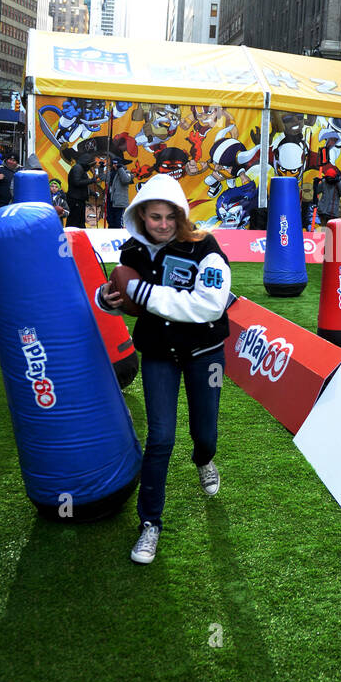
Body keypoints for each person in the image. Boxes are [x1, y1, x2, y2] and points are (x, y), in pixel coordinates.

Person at [97, 174, 231, 565]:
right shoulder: (132, 252)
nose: (163, 224)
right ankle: (150, 524)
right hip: (158, 353)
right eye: (154, 217)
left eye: (170, 217)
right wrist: (108, 299)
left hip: (205, 352)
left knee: (205, 432)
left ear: (182, 216)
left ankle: (204, 460)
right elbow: (123, 298)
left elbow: (210, 305)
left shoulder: (205, 247)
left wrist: (145, 294)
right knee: (160, 438)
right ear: (140, 216)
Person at [65, 152, 96, 227]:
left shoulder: (80, 169)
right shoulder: (77, 168)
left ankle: (79, 236)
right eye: (90, 165)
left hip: (79, 200)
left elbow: (82, 185)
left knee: (80, 221)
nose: (90, 167)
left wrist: (92, 193)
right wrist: (91, 180)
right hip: (75, 200)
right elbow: (77, 182)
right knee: (74, 221)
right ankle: (71, 237)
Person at [107, 155, 133, 228]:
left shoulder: (127, 172)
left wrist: (120, 168)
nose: (114, 165)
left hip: (120, 201)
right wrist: (101, 169)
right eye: (113, 163)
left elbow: (125, 180)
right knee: (110, 220)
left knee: (118, 221)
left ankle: (118, 237)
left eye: (116, 163)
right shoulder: (111, 172)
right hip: (111, 200)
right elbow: (103, 178)